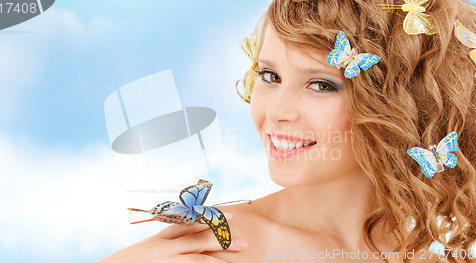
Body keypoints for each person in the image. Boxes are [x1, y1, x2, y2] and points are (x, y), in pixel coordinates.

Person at [97, 0, 476, 262]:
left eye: (322, 85)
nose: (276, 111)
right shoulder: (207, 251)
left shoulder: (436, 257)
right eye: (269, 76)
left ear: (405, 105)